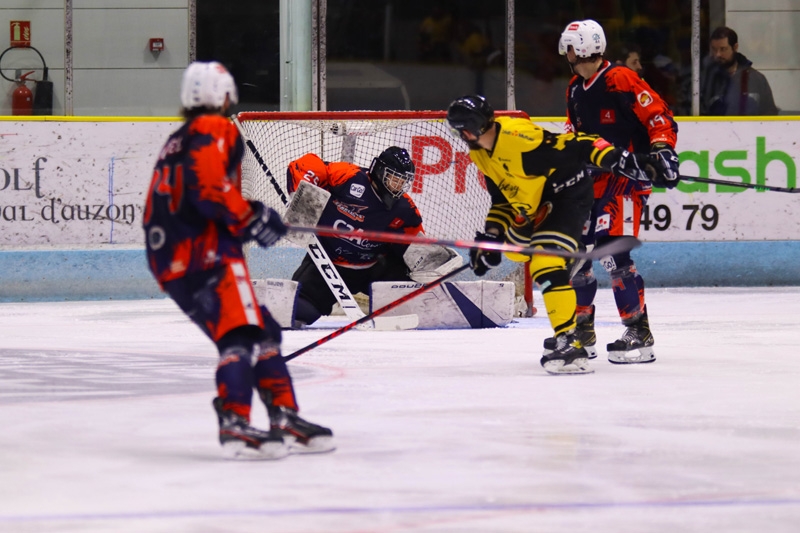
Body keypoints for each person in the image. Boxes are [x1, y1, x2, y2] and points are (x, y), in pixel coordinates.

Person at [143, 61, 334, 460]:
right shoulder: (216, 128)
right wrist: (252, 218)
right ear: (226, 94)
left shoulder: (175, 140)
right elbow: (211, 191)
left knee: (262, 330)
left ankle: (283, 415)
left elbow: (164, 207)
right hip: (207, 256)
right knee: (241, 336)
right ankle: (235, 421)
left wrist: (249, 219)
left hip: (170, 263)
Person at [446, 94, 670, 375]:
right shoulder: (480, 154)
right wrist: (491, 238)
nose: (457, 135)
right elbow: (502, 201)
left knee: (545, 262)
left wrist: (625, 161)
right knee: (516, 251)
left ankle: (570, 340)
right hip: (538, 205)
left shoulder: (518, 141)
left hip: (567, 196)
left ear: (469, 129)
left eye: (457, 129)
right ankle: (574, 325)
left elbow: (580, 144)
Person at [558, 19, 681, 365]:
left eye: (569, 46)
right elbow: (573, 134)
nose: (565, 53)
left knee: (613, 256)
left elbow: (659, 116)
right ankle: (582, 332)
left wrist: (663, 151)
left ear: (581, 47)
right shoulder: (574, 88)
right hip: (590, 183)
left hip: (626, 182)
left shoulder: (620, 79)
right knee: (578, 258)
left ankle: (638, 333)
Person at [287, 147, 458, 327]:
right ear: (380, 171)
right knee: (298, 311)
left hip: (376, 268)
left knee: (413, 307)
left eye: (403, 182)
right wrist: (301, 191)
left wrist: (431, 262)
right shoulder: (348, 176)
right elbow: (308, 164)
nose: (398, 186)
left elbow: (412, 244)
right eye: (395, 179)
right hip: (328, 264)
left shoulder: (404, 209)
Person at [700, 26, 778, 116]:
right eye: (714, 49)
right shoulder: (705, 80)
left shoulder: (756, 79)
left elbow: (770, 114)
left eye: (723, 49)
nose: (718, 54)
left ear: (735, 47)